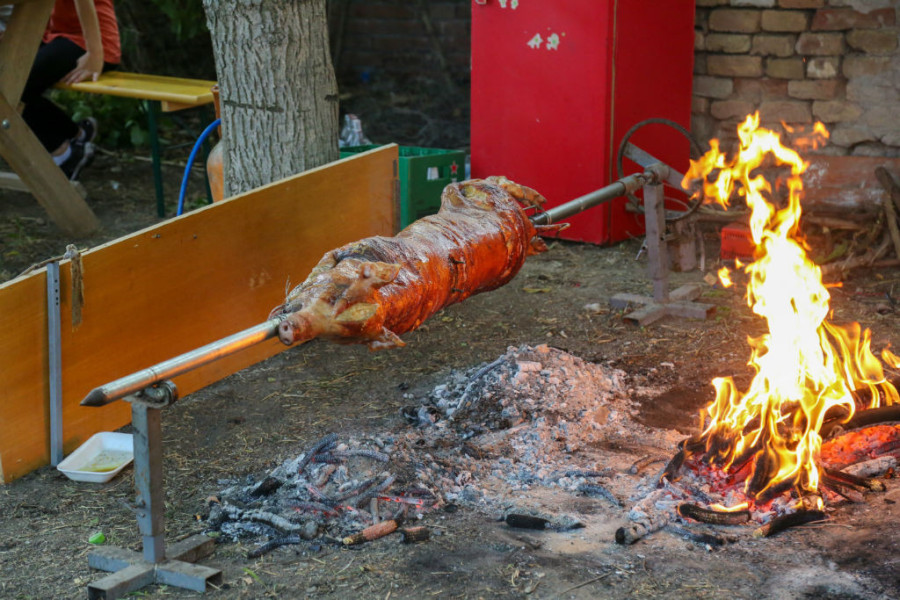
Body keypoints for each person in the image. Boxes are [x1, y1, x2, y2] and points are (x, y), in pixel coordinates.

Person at [21, 0, 120, 180]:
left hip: (90, 42)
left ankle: (65, 153)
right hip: (55, 37)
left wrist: (95, 53)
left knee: (13, 86)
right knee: (10, 82)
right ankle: (76, 135)